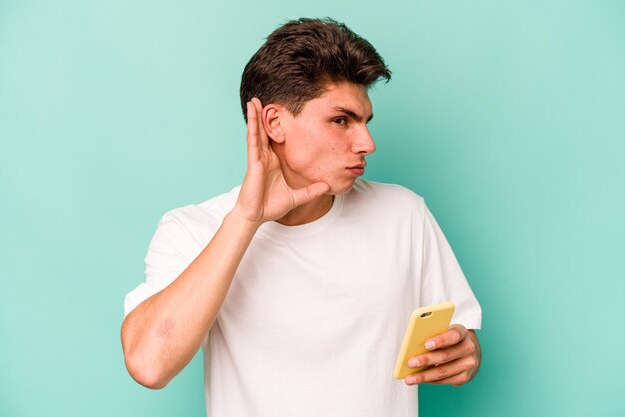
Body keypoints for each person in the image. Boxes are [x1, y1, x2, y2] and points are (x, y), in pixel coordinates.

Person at [121, 17, 482, 417]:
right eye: (341, 120)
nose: (367, 143)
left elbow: (462, 340)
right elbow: (149, 364)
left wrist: (462, 353)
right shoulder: (192, 229)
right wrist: (246, 218)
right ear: (274, 122)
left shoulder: (403, 213)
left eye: (365, 121)